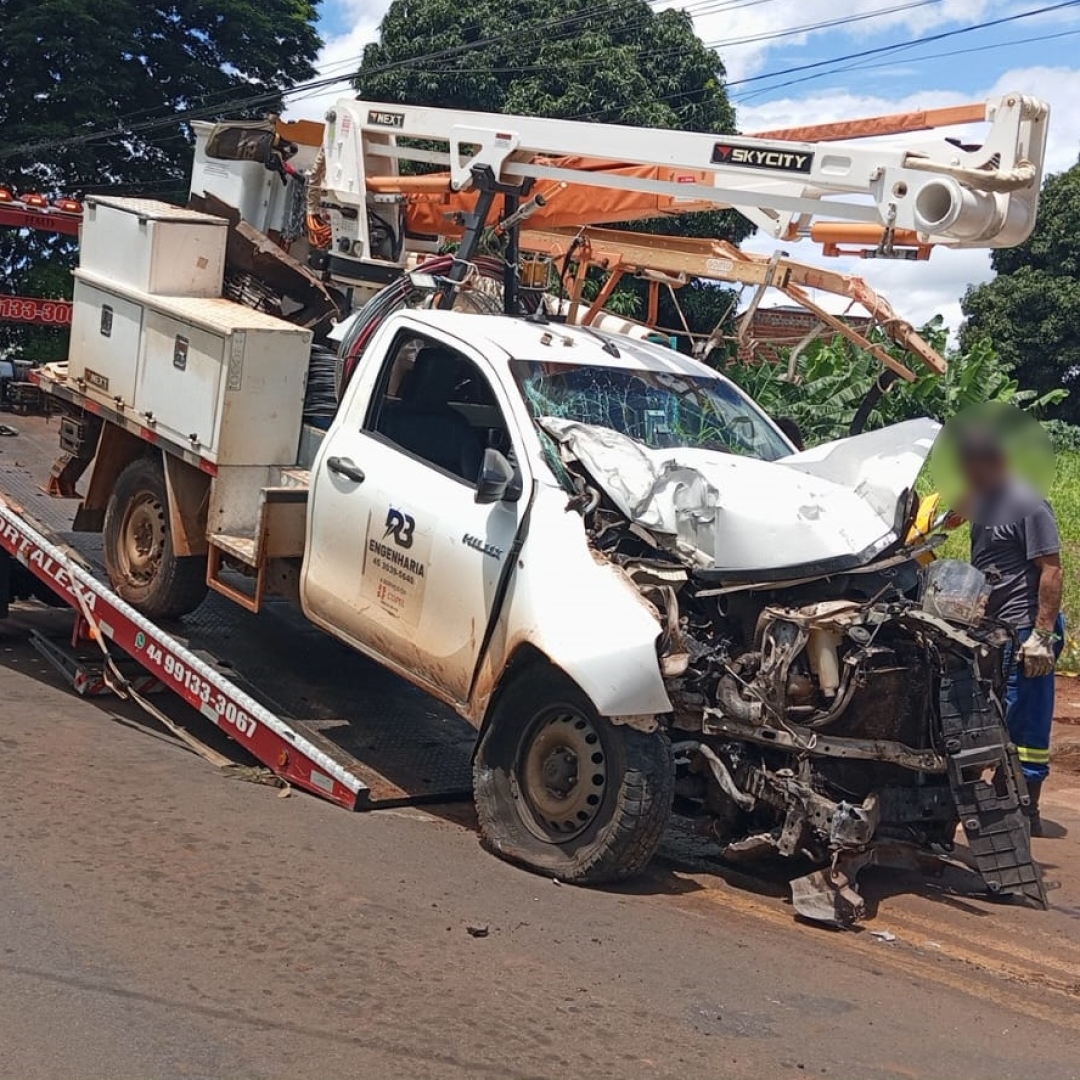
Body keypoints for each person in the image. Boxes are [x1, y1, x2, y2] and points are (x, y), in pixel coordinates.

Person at [960, 432, 1064, 837]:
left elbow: (1051, 570)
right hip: (997, 629)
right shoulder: (984, 504)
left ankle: (1026, 809)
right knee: (995, 710)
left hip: (1027, 627)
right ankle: (1005, 795)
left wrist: (1042, 636)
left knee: (1027, 718)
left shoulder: (1029, 505)